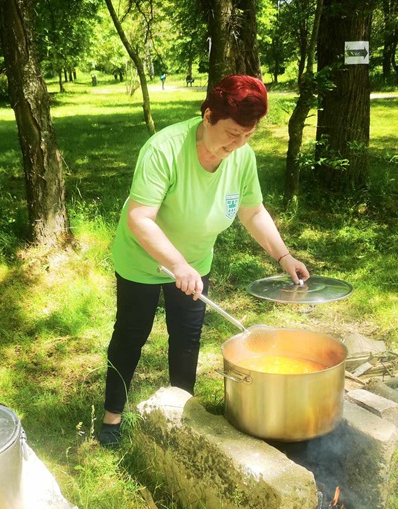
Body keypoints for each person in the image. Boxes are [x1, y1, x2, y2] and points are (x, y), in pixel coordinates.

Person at [98, 75, 309, 448]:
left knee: (187, 338)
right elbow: (139, 218)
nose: (238, 143)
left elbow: (253, 210)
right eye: (231, 133)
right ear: (208, 115)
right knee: (131, 335)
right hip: (143, 259)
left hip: (195, 263)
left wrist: (283, 255)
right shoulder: (164, 149)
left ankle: (182, 415)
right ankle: (112, 417)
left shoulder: (242, 156)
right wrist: (177, 265)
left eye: (248, 136)